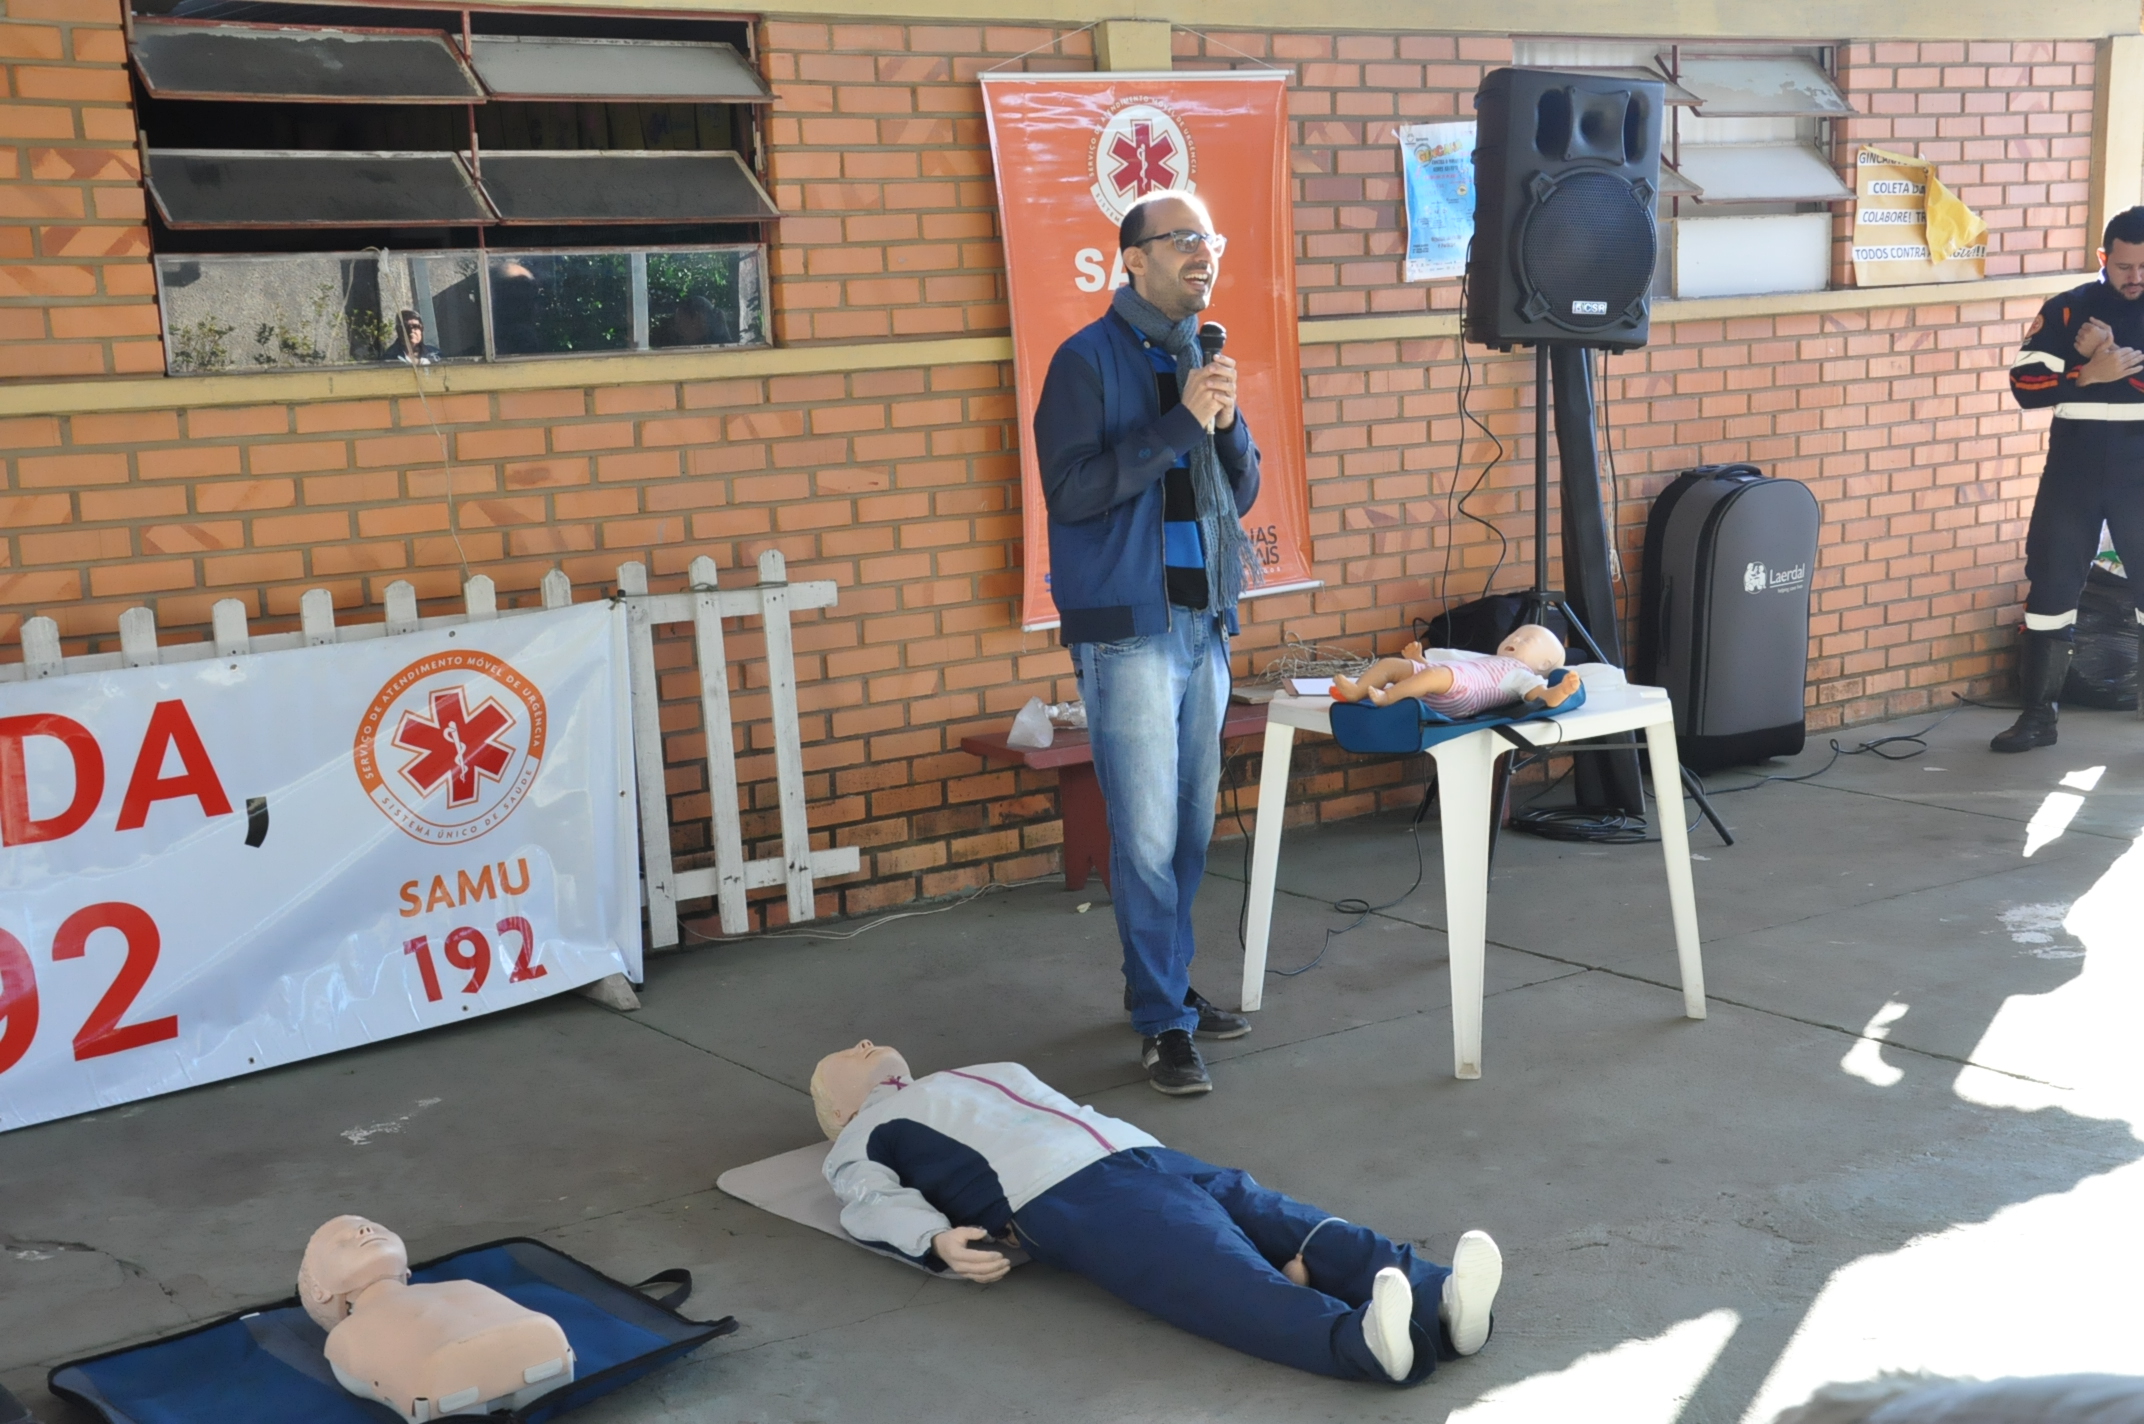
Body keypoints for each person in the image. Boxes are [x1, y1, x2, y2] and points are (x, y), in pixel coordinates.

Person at [811, 1040, 1503, 1385]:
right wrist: (933, 1238)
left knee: (1283, 1219)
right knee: (1212, 1269)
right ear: (835, 1113)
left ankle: (1441, 1297)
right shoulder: (859, 1135)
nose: (868, 1044)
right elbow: (867, 1199)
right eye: (850, 1055)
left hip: (1140, 1153)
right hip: (1065, 1192)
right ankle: (1363, 1345)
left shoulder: (980, 1069)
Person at [1032, 189, 1262, 1095]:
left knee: (1194, 826)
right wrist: (1178, 424)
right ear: (1132, 259)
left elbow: (1235, 497)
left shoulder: (1200, 355)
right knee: (1146, 836)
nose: (1203, 254)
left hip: (1202, 620)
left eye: (1211, 238)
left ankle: (1163, 986)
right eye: (1183, 241)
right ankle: (1163, 1023)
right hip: (1130, 633)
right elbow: (1073, 493)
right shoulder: (1084, 362)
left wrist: (1226, 421)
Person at [1999, 206, 2144, 752]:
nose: (2135, 278)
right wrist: (2085, 372)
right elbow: (2025, 387)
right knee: (2051, 588)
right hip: (2073, 473)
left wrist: (2103, 364)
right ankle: (2037, 719)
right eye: (2125, 266)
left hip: (2141, 473)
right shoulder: (2068, 310)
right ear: (2105, 258)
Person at [1331, 623, 1580, 713]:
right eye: (1515, 634)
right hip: (1442, 681)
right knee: (1390, 664)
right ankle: (1356, 691)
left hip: (1463, 697)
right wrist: (1420, 660)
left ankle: (1388, 698)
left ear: (1544, 664)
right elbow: (1441, 673)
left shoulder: (1524, 676)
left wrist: (1562, 690)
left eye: (1527, 640)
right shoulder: (1487, 659)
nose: (1515, 640)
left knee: (1433, 675)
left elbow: (1544, 698)